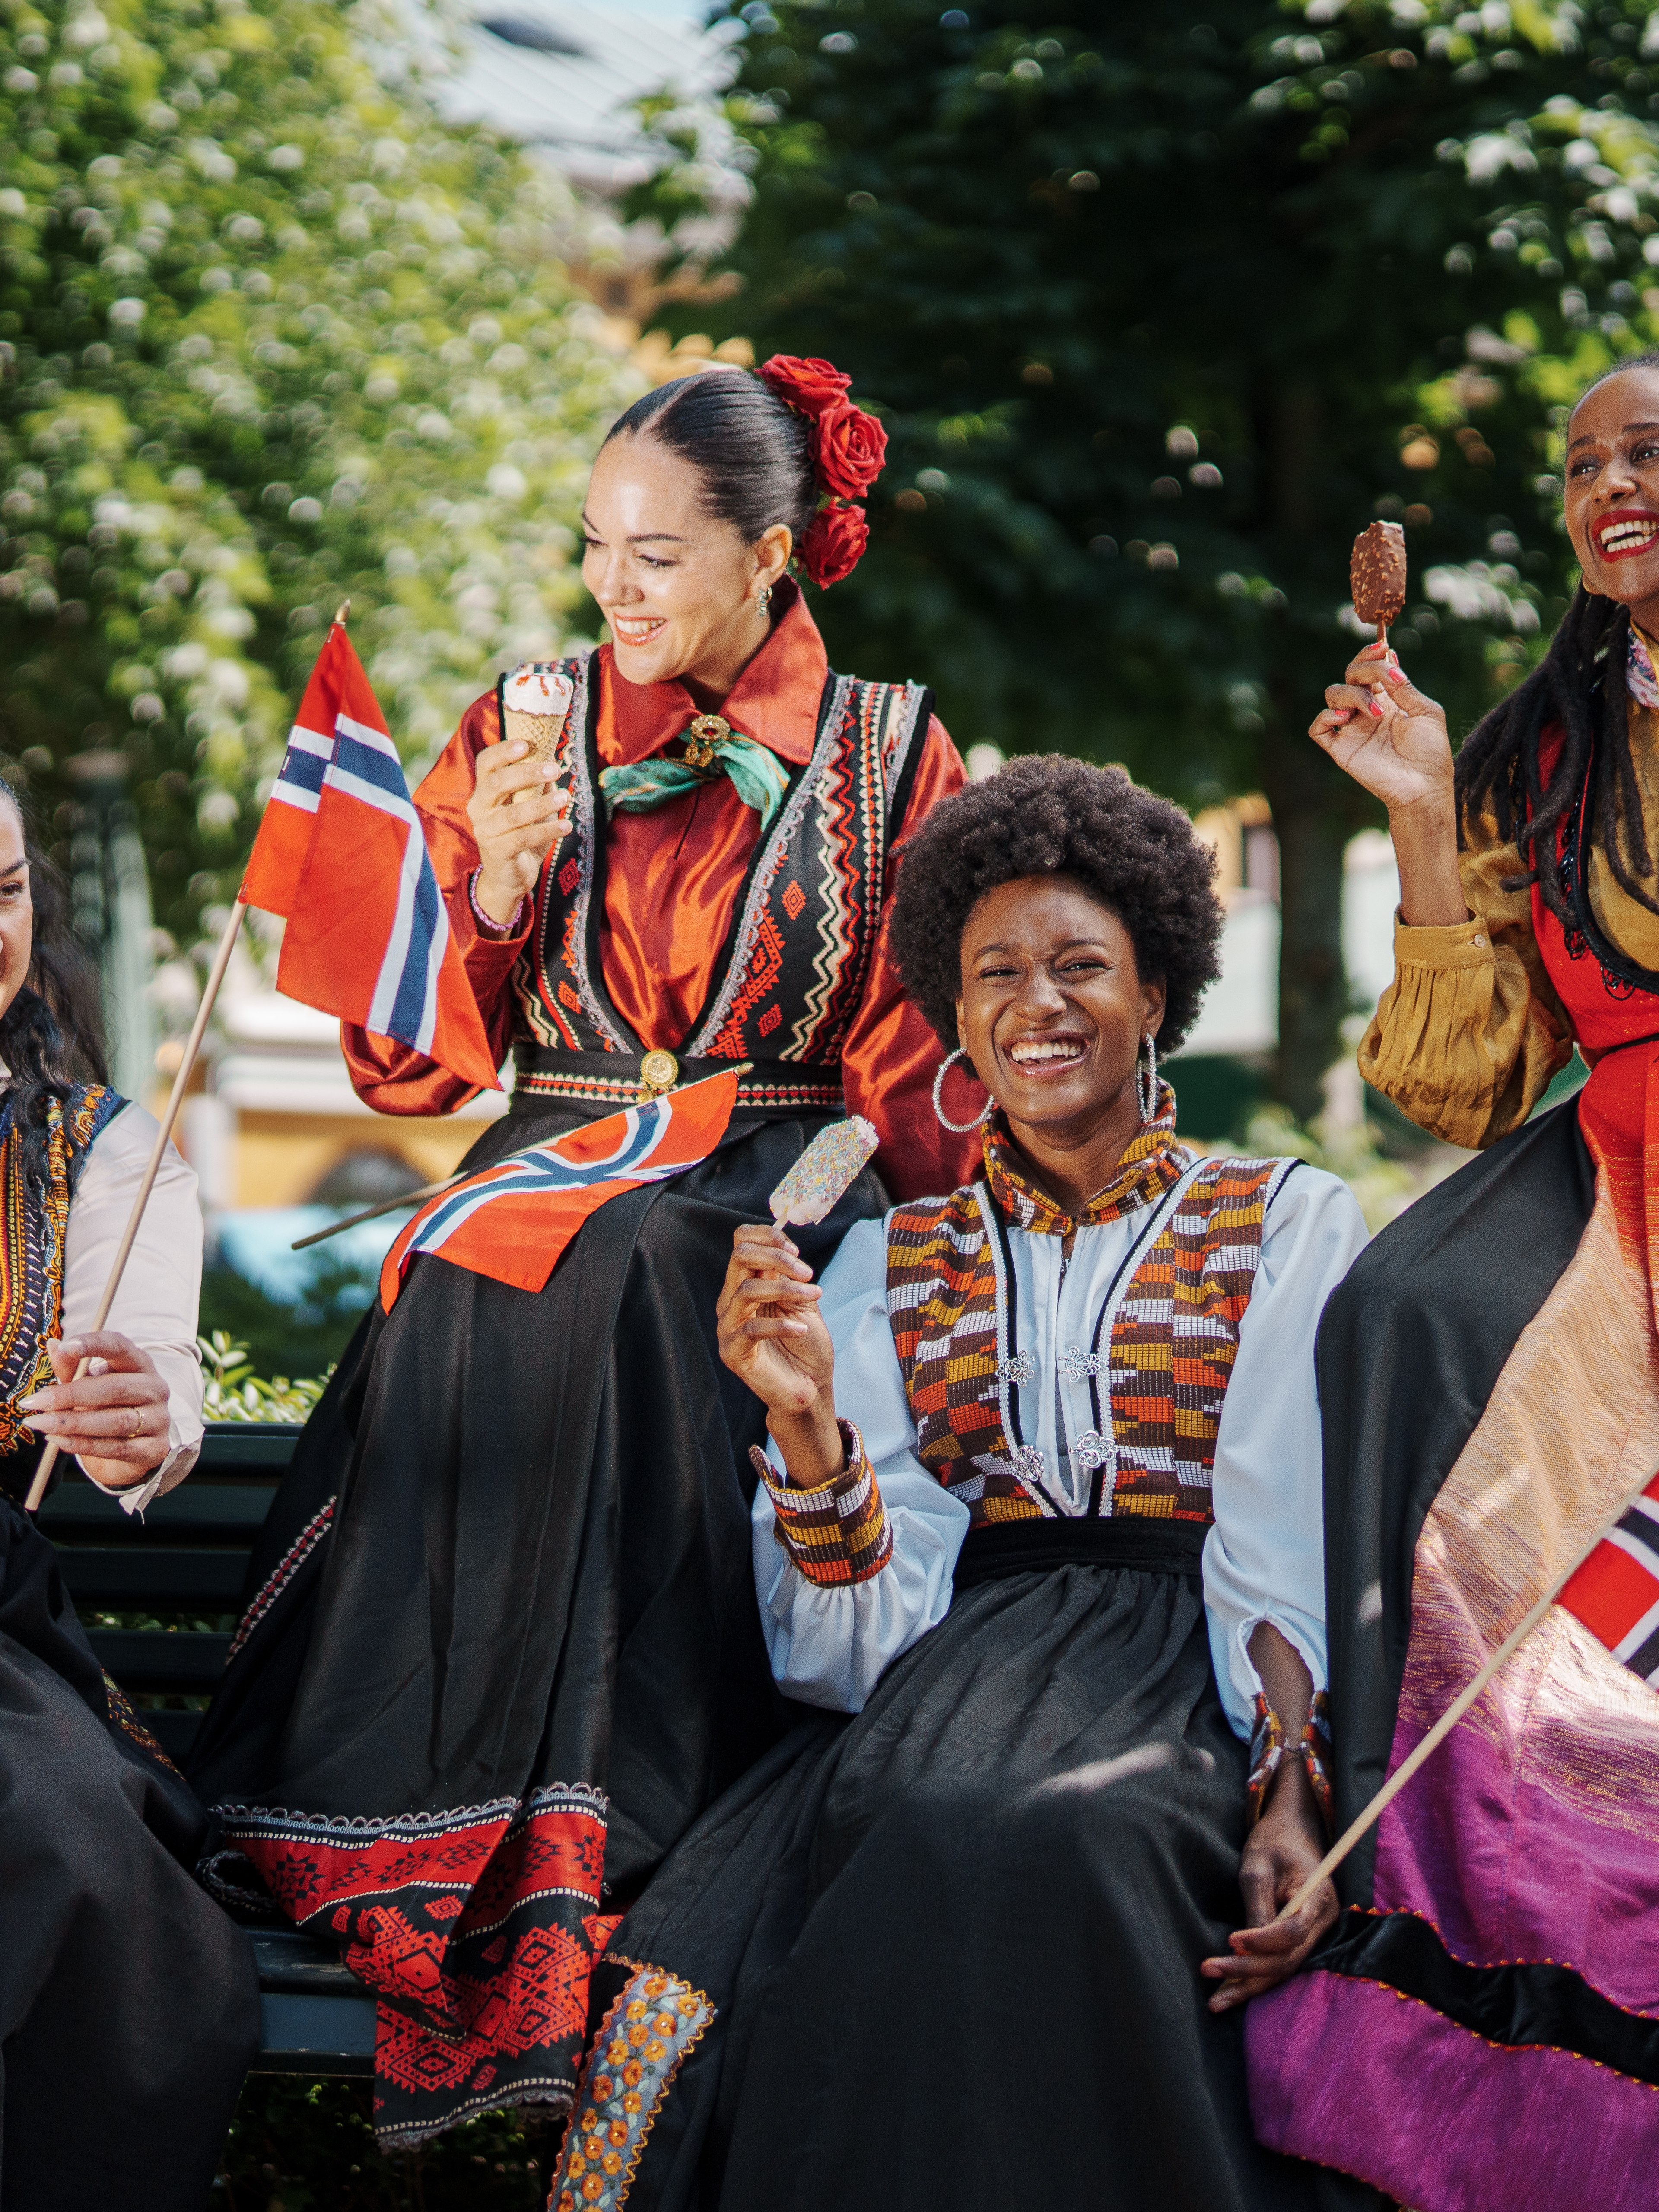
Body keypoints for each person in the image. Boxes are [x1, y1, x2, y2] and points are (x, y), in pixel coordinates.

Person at [187, 356, 979, 2149]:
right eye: (594, 551)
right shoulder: (528, 723)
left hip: (784, 1159)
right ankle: (441, 1821)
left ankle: (629, 1816)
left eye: (655, 556)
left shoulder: (888, 746)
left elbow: (917, 1050)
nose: (611, 592)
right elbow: (416, 1054)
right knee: (516, 1251)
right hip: (555, 1135)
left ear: (771, 555)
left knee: (641, 1265)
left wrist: (844, 1165)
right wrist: (484, 891)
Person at [544, 755, 1373, 2212]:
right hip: (949, 1673)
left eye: (1080, 967)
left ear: (1157, 992)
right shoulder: (889, 1257)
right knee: (932, 1826)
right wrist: (805, 1430)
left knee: (1071, 1833)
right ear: (954, 1012)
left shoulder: (1285, 1218)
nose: (1038, 1005)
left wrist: (1292, 1786)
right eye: (997, 973)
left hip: (1189, 1668)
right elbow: (850, 1650)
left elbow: (1280, 1531)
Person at [1244, 352, 1659, 2211]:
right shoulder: (1538, 744)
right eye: (1583, 464)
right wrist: (1421, 812)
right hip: (1607, 1158)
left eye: (1648, 451)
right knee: (1399, 1301)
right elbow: (1461, 1078)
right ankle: (1402, 1877)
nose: (1609, 486)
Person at [0, 782, 257, 2207]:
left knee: (57, 1836)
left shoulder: (104, 1156)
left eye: (7, 889)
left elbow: (151, 1387)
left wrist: (133, 1421)